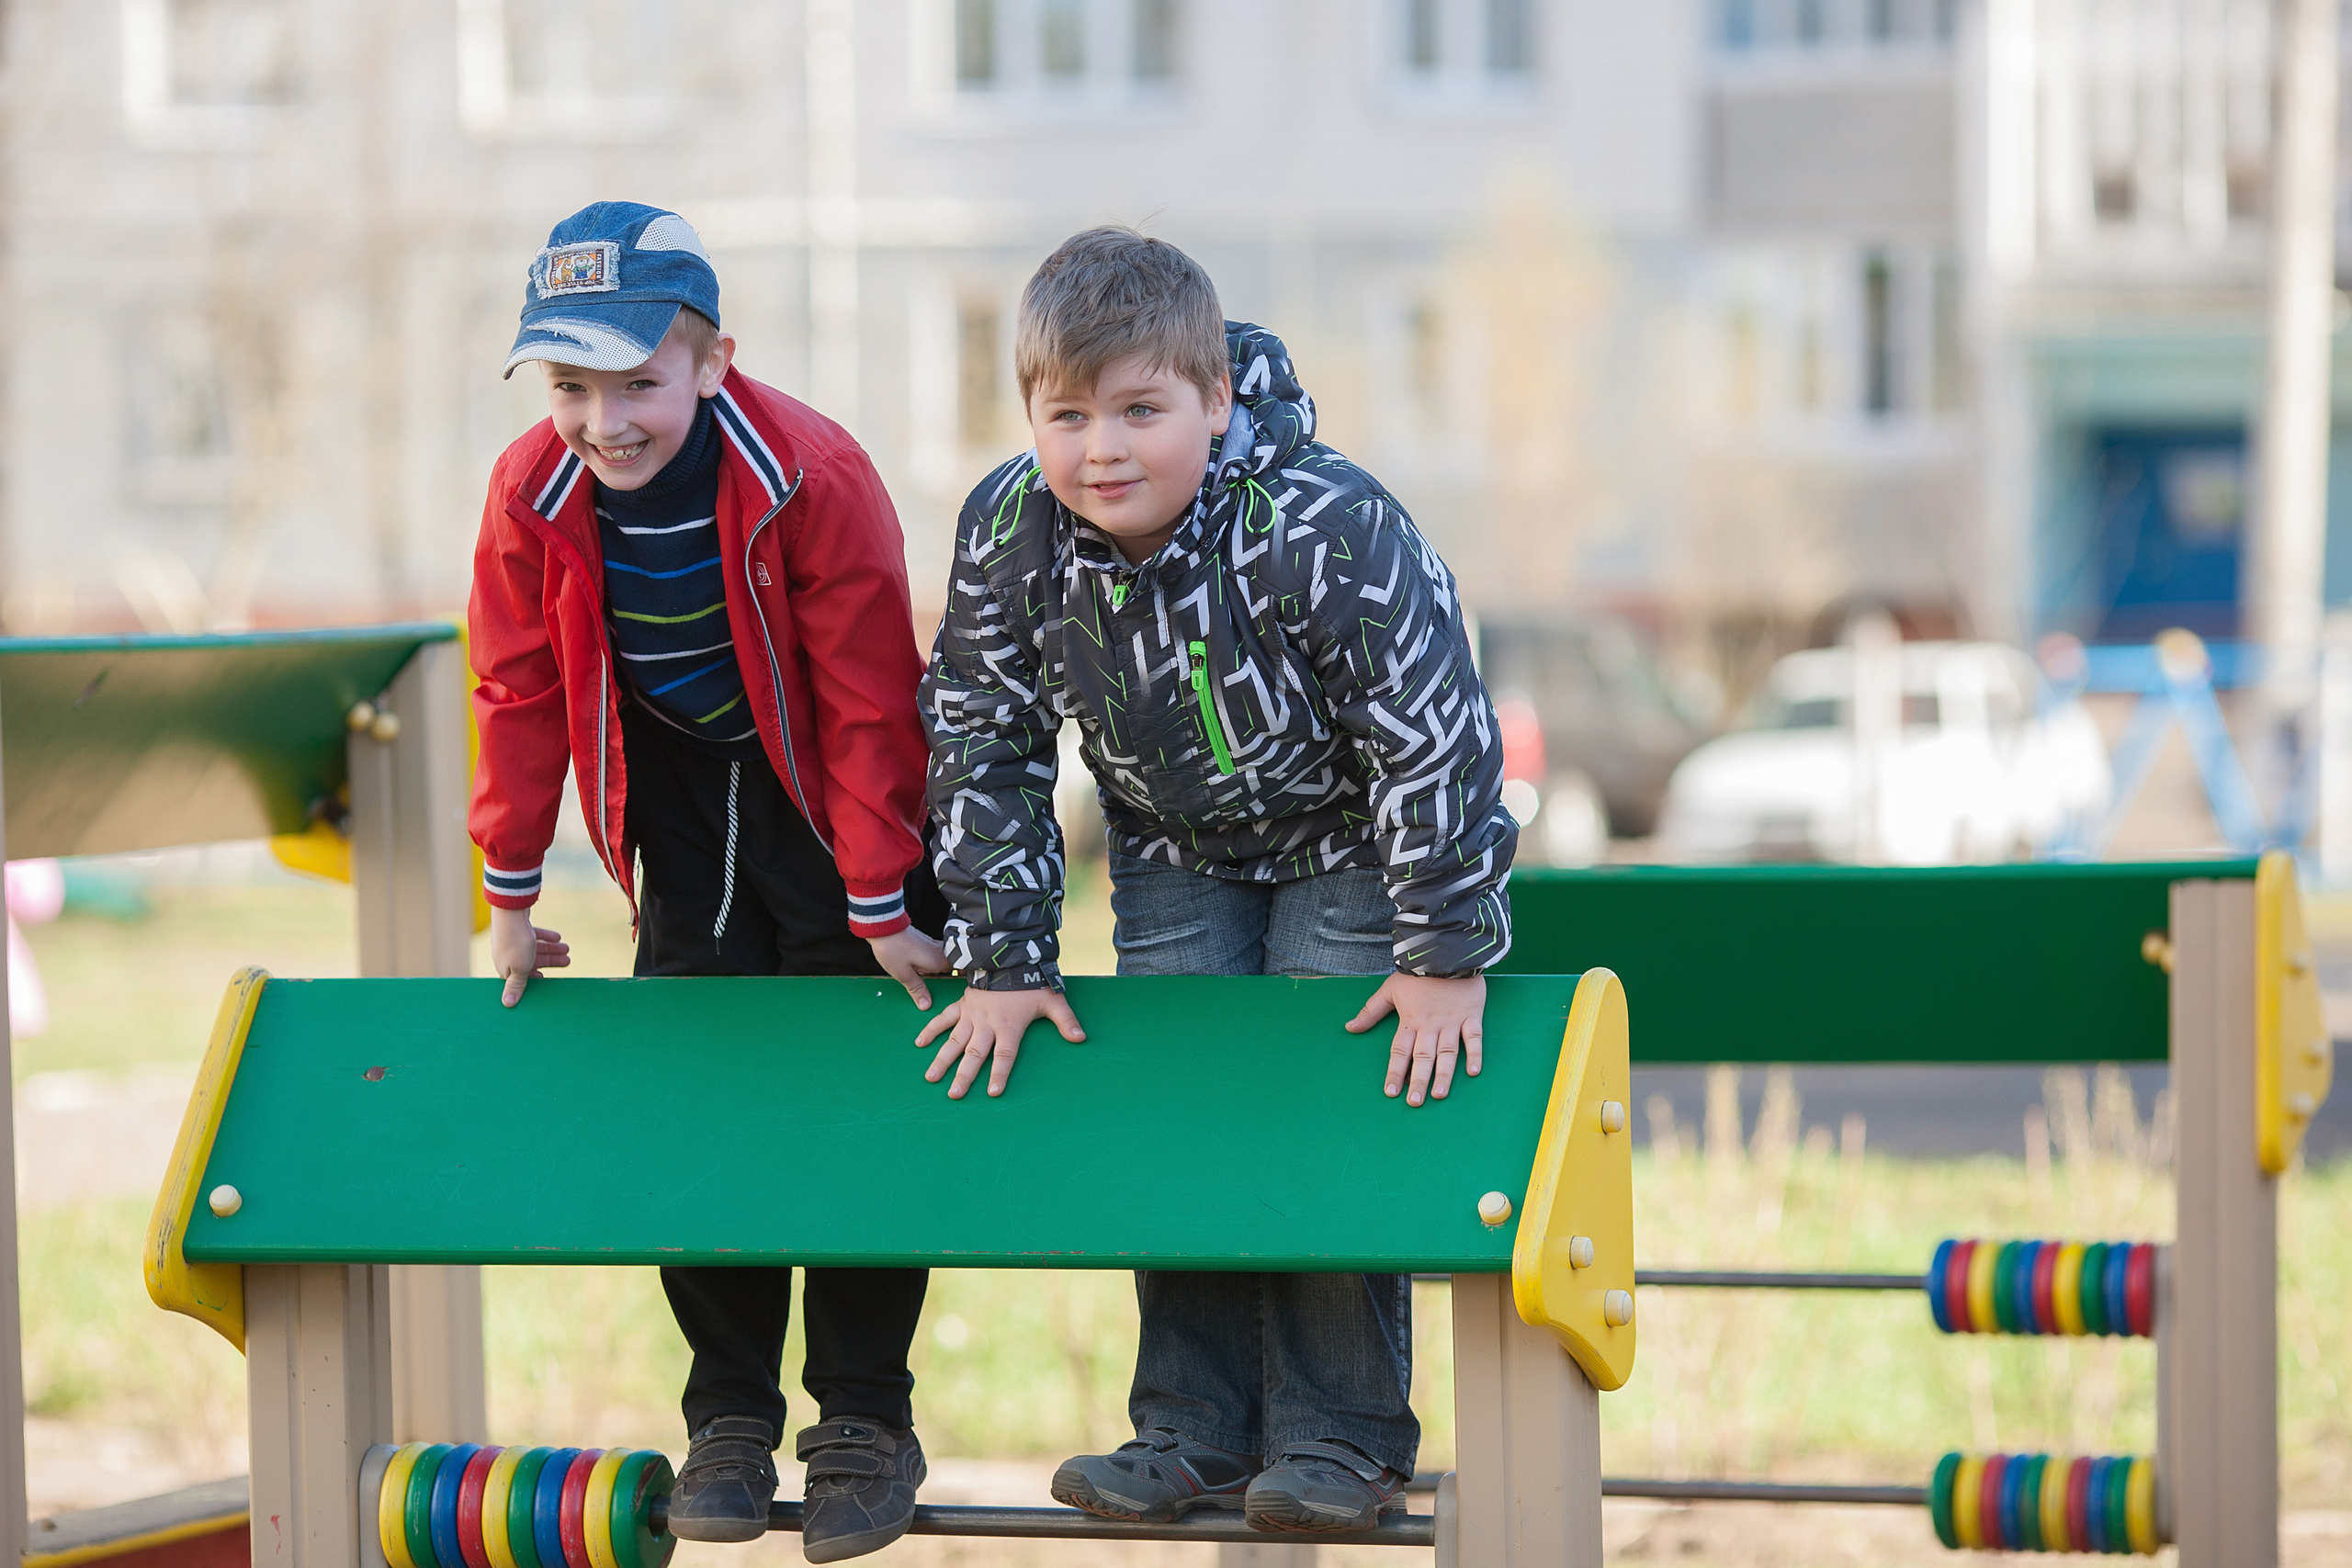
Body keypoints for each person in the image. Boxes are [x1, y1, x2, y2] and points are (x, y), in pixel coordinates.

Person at [913, 226, 1517, 1535]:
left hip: (1356, 849)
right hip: (1175, 849)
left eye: (1141, 409)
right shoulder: (1015, 532)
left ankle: (1343, 1435)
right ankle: (1188, 1428)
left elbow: (1434, 730)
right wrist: (1006, 960)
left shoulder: (1325, 528)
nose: (1102, 449)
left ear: (1217, 398)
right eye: (1066, 415)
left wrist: (1442, 951)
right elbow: (980, 733)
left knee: (1313, 1110)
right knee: (1185, 1115)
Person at [469, 201, 947, 1563]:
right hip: (680, 800)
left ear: (713, 362)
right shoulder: (531, 490)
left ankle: (862, 1414)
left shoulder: (811, 474)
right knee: (702, 1091)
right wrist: (510, 897)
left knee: (854, 1091)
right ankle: (726, 1413)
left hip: (826, 792)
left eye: (640, 383)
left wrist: (882, 899)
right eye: (572, 386)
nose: (606, 421)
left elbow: (865, 699)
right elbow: (518, 688)